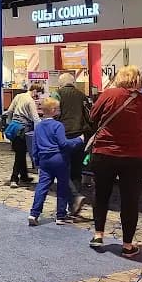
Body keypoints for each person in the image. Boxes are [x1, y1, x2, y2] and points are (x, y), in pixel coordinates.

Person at [88, 65, 142, 257]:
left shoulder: (109, 94)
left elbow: (92, 116)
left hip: (105, 153)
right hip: (135, 155)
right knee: (130, 200)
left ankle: (98, 235)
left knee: (101, 195)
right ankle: (127, 245)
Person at [27, 98, 84, 226]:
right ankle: (60, 215)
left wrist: (37, 161)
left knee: (42, 187)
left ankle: (34, 213)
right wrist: (78, 140)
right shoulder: (58, 126)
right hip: (59, 159)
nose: (59, 110)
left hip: (44, 160)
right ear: (53, 110)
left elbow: (35, 146)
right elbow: (64, 144)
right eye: (58, 108)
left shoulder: (38, 126)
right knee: (62, 187)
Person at [54, 72, 90, 217]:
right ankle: (74, 206)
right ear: (73, 83)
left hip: (63, 136)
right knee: (76, 171)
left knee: (62, 171)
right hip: (79, 136)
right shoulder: (82, 95)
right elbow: (89, 115)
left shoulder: (57, 94)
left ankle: (73, 198)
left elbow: (54, 114)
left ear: (60, 84)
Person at [5, 84, 42, 188]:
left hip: (14, 128)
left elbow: (10, 111)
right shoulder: (30, 101)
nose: (37, 98)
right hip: (24, 129)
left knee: (20, 152)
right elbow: (35, 119)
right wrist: (43, 128)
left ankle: (24, 176)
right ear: (35, 91)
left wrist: (10, 122)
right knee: (20, 155)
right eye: (37, 95)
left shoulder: (18, 96)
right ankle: (14, 179)